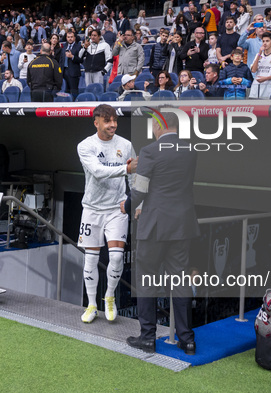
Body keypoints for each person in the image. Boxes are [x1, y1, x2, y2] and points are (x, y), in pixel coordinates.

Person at [125, 110, 199, 355]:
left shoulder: (149, 151)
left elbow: (141, 190)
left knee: (147, 279)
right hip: (182, 226)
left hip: (154, 227)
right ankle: (187, 339)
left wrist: (127, 205)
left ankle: (148, 338)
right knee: (179, 281)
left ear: (159, 125)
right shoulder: (190, 151)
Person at [77, 104, 137, 323]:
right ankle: (92, 304)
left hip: (116, 209)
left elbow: (134, 176)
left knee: (116, 256)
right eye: (107, 121)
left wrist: (134, 202)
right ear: (96, 122)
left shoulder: (126, 145)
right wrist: (125, 169)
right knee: (90, 261)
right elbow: (98, 172)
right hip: (92, 209)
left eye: (115, 121)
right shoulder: (85, 146)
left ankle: (109, 296)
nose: (112, 125)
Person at [249, 32, 271, 98]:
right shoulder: (258, 55)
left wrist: (265, 78)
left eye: (267, 41)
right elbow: (253, 70)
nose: (264, 43)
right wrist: (259, 53)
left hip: (269, 87)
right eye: (263, 41)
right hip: (256, 87)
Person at [61, 31, 82, 98]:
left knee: (74, 92)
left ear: (74, 38)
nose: (70, 39)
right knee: (66, 92)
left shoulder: (78, 47)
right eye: (68, 37)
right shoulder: (64, 47)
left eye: (71, 37)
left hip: (73, 73)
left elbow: (81, 60)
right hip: (64, 72)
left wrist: (72, 57)